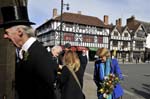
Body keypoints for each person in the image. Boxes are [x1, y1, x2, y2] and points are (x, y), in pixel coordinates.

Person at [0, 6, 56, 99]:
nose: (5, 36)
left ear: (19, 32)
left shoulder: (39, 55)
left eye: (7, 32)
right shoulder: (29, 51)